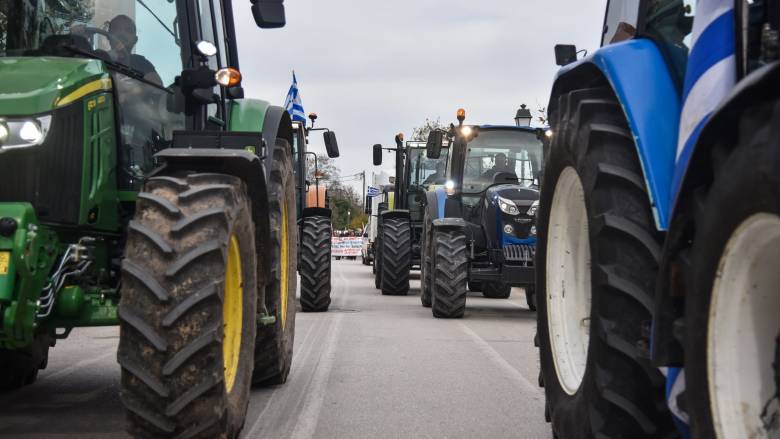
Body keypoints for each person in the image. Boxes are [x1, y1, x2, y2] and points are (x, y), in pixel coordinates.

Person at [107, 15, 162, 85]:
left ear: (135, 40)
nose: (122, 33)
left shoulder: (141, 63)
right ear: (108, 35)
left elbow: (157, 87)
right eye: (116, 29)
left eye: (129, 30)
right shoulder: (98, 57)